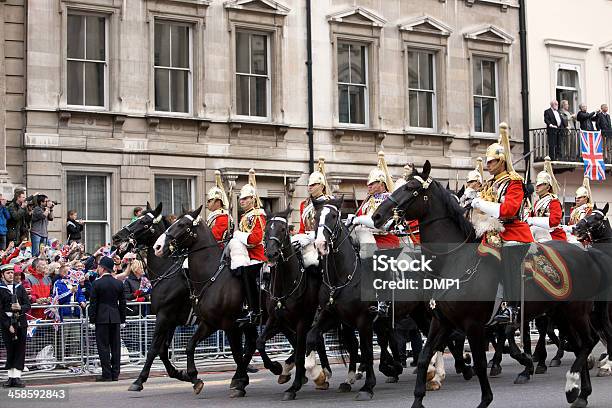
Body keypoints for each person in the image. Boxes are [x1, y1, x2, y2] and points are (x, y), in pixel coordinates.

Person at [471, 123, 534, 324]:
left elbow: (509, 211)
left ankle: (512, 307)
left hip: (514, 231)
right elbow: (481, 210)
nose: (488, 165)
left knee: (508, 257)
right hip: (492, 231)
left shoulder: (514, 182)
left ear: (501, 161)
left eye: (492, 161)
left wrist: (480, 203)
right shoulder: (490, 183)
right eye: (488, 162)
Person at [350, 151, 400, 315]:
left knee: (380, 263)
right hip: (367, 241)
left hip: (385, 241)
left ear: (382, 183)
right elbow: (357, 222)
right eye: (368, 184)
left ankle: (383, 300)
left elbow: (383, 226)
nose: (368, 186)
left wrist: (360, 220)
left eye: (372, 183)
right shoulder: (367, 202)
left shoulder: (389, 200)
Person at [228, 169, 266, 325]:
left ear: (253, 199)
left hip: (257, 257)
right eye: (240, 199)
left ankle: (255, 310)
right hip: (247, 257)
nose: (241, 201)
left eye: (245, 199)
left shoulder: (258, 215)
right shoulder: (245, 216)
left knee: (248, 276)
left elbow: (255, 240)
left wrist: (237, 235)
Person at [89, 256, 126, 382]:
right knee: (115, 346)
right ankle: (115, 373)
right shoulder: (118, 283)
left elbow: (93, 304)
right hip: (115, 317)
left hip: (101, 317)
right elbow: (122, 303)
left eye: (99, 266)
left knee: (103, 347)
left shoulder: (96, 283)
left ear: (103, 268)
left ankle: (107, 374)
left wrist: (92, 320)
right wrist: (123, 319)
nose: (98, 269)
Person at [291, 157, 333, 267]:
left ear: (322, 186)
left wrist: (309, 238)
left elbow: (329, 227)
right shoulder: (304, 204)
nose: (310, 187)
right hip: (306, 239)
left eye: (313, 185)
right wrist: (298, 237)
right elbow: (302, 228)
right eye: (309, 185)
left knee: (312, 262)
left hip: (323, 240)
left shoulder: (328, 202)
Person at [0, 264, 30, 388]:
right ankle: (10, 377)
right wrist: (8, 325)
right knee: (10, 350)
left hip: (20, 323)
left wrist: (20, 308)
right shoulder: (1, 289)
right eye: (8, 273)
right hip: (7, 324)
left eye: (12, 273)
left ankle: (17, 377)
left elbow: (28, 305)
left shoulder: (20, 288)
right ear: (2, 275)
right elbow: (0, 311)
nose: (11, 275)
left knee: (20, 350)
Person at [526, 157, 566, 242]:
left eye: (540, 185)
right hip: (537, 232)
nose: (537, 186)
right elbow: (530, 217)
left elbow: (554, 221)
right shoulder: (537, 202)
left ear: (548, 187)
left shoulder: (553, 201)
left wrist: (532, 220)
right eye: (536, 184)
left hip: (552, 235)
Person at [206, 170, 234, 247]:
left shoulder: (223, 217)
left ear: (217, 202)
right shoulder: (214, 216)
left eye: (209, 201)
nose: (207, 203)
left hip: (218, 250)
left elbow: (214, 237)